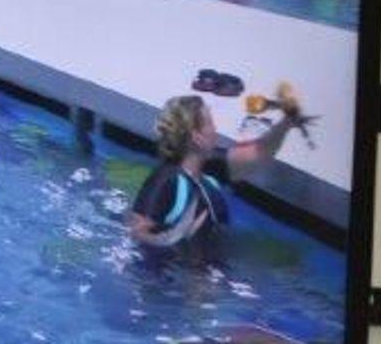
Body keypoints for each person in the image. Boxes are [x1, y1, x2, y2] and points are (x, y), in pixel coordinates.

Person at [126, 92, 297, 251]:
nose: (216, 128)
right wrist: (174, 238)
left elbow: (258, 154)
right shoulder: (165, 180)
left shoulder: (208, 168)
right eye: (210, 123)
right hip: (173, 268)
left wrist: (287, 122)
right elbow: (136, 233)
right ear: (197, 137)